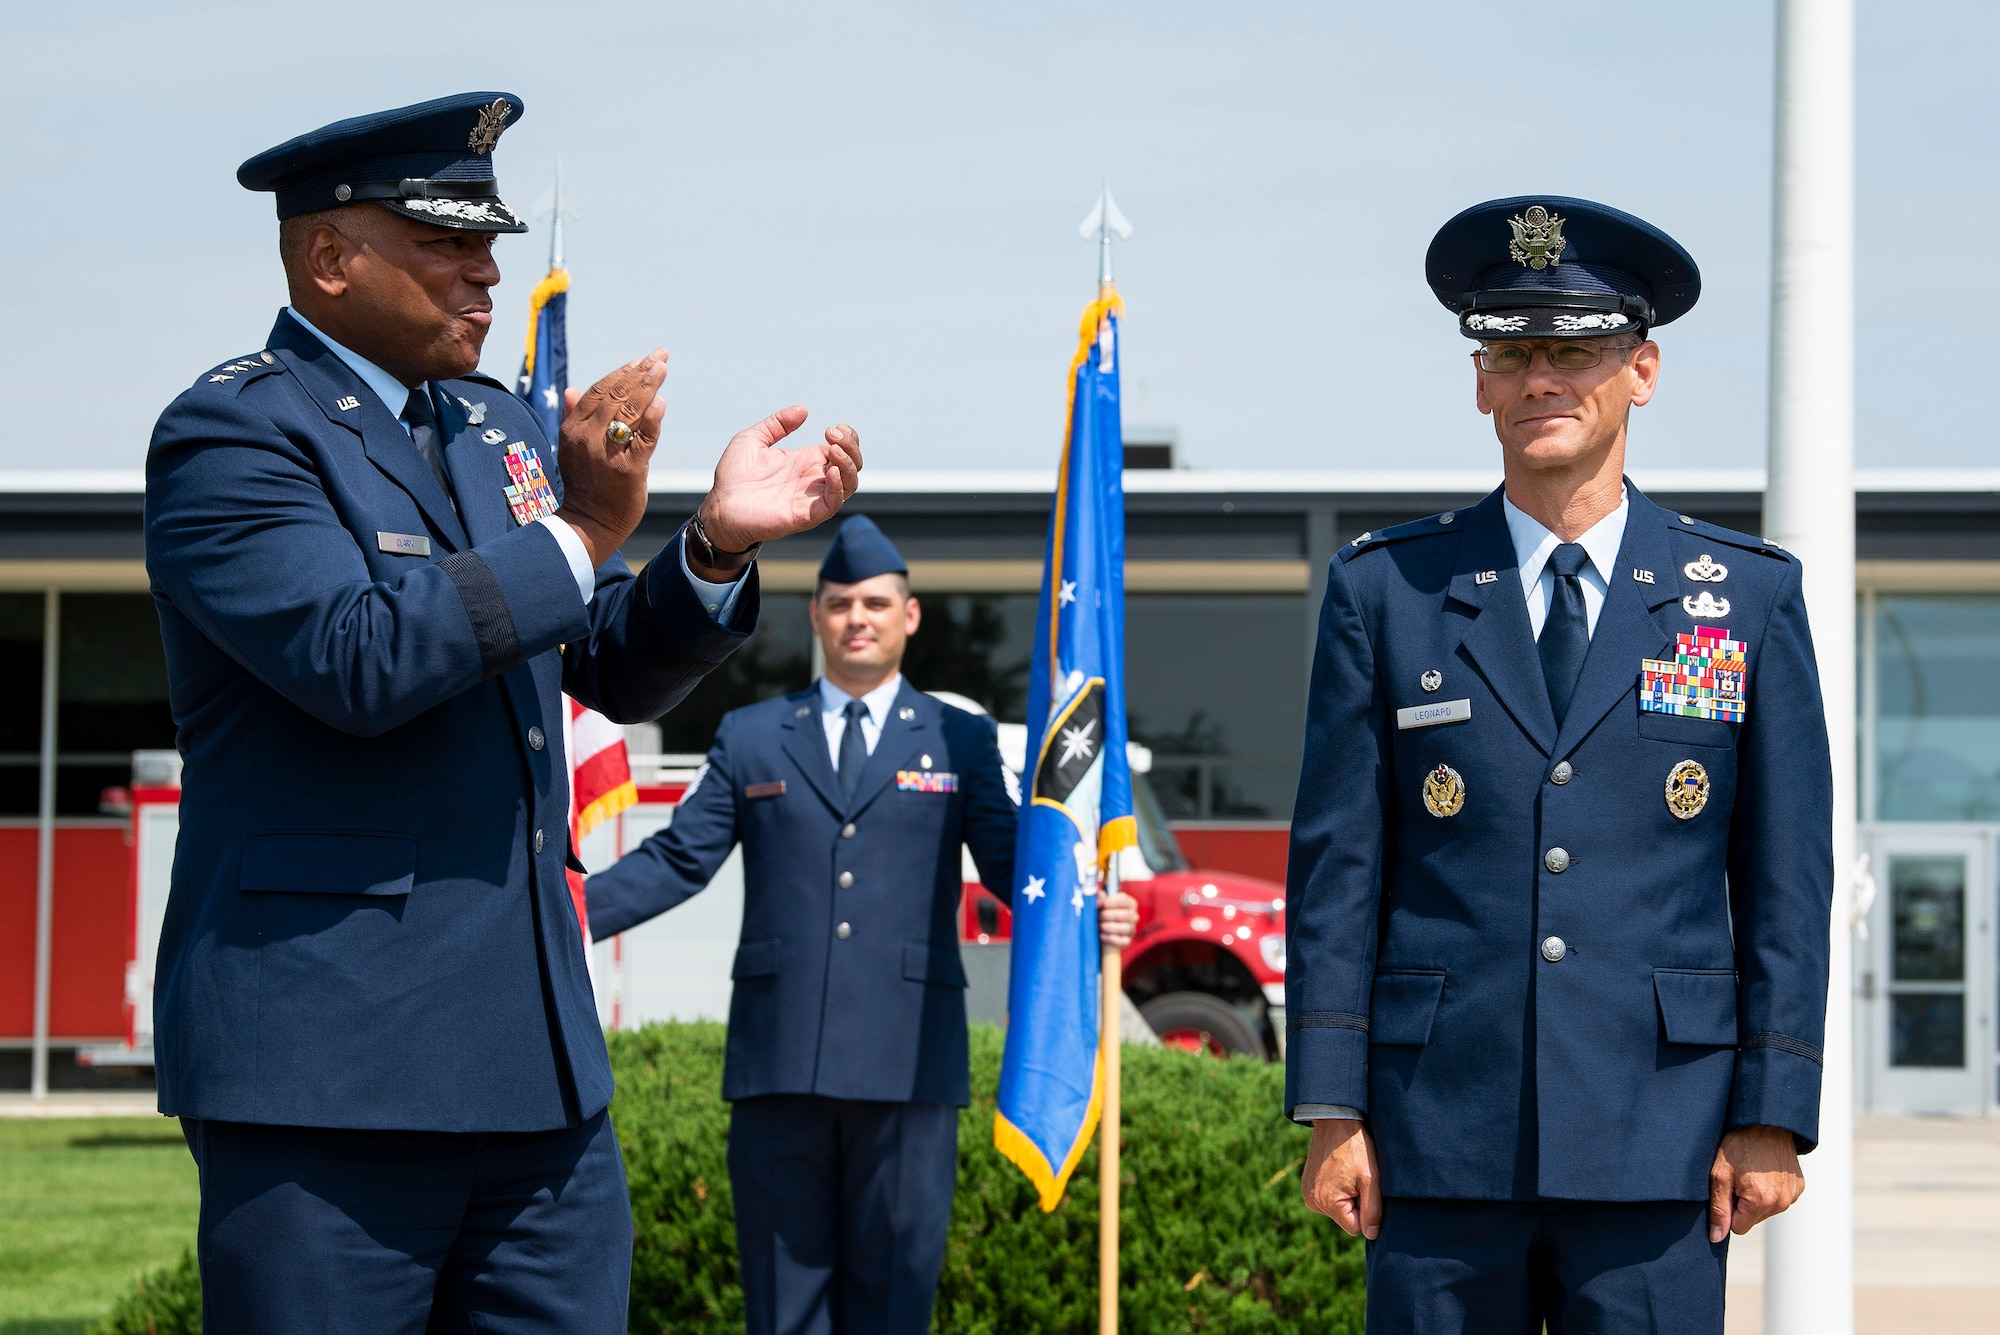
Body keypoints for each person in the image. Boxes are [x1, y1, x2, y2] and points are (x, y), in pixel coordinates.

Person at [144, 91, 860, 1335]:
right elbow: (354, 657)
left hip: (537, 1082)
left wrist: (707, 547)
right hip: (329, 1079)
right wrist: (580, 531)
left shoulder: (493, 427)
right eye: (445, 245)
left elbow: (599, 665)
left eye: (489, 244)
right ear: (328, 255)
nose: (485, 276)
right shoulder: (235, 435)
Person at [1285, 196, 1833, 1333]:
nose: (1540, 378)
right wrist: (1331, 1107)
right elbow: (1337, 870)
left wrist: (1769, 1109)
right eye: (1510, 351)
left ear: (1640, 369)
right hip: (1436, 1132)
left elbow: (1785, 878)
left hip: (1660, 1139)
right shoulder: (1386, 592)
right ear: (1479, 381)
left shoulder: (1747, 598)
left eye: (1573, 350)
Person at [587, 515, 1138, 1335]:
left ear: (908, 617)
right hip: (781, 1072)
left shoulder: (960, 738)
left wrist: (1086, 910)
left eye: (877, 603)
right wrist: (558, 913)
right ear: (815, 616)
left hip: (908, 1070)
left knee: (893, 1307)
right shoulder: (753, 735)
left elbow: (1009, 866)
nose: (858, 618)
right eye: (840, 602)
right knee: (785, 1311)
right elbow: (678, 859)